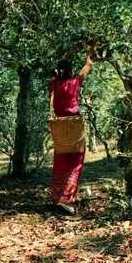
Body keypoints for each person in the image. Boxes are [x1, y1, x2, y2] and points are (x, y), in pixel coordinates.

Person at [48, 45, 94, 214]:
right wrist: (89, 49)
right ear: (70, 71)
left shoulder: (53, 84)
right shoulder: (75, 82)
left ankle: (59, 197)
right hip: (74, 126)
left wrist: (65, 53)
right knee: (75, 162)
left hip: (60, 127)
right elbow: (88, 65)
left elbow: (55, 70)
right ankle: (68, 199)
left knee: (61, 161)